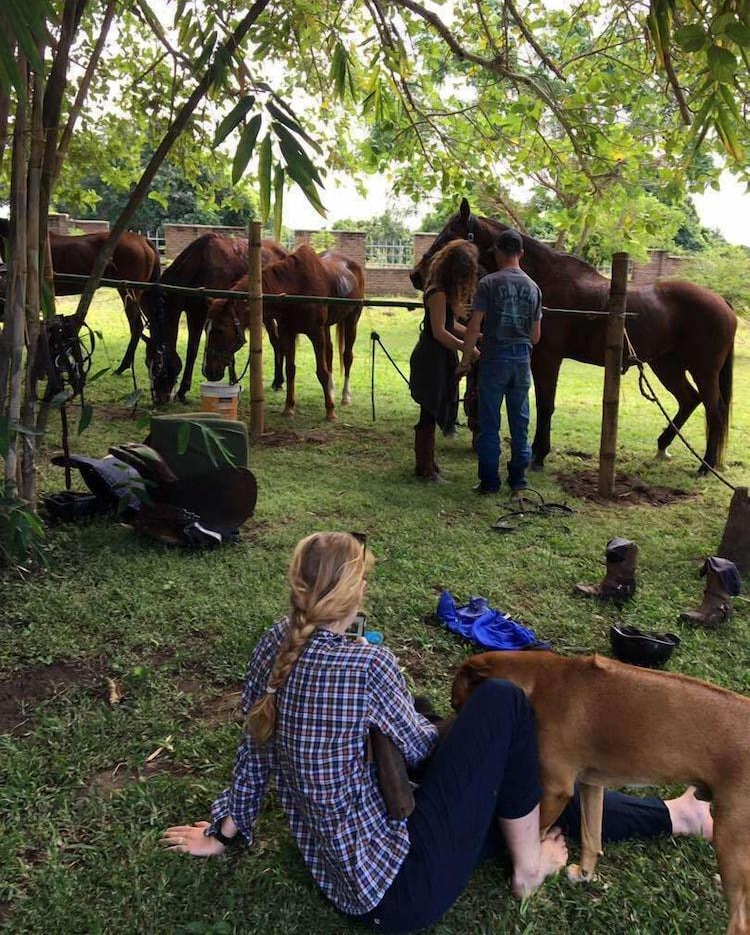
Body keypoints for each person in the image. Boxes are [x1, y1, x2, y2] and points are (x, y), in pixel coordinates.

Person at [162, 532, 713, 934]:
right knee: (503, 705)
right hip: (401, 885)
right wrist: (461, 728)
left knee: (516, 783)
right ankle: (529, 868)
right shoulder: (366, 666)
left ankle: (679, 815)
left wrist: (224, 830)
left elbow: (253, 745)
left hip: (347, 876)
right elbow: (423, 749)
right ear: (356, 597)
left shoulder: (274, 643)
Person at [458, 228, 542, 495]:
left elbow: (473, 327)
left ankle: (489, 481)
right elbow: (536, 336)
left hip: (494, 360)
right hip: (521, 361)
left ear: (499, 253)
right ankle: (518, 479)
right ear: (521, 253)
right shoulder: (533, 287)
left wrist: (464, 360)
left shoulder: (488, 284)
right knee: (520, 420)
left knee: (489, 421)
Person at [409, 238, 480, 481]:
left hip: (440, 355)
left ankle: (429, 462)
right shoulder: (437, 293)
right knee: (429, 409)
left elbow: (452, 325)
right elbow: (439, 332)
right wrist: (466, 347)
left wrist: (476, 336)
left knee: (434, 406)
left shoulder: (443, 292)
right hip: (431, 356)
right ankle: (424, 467)